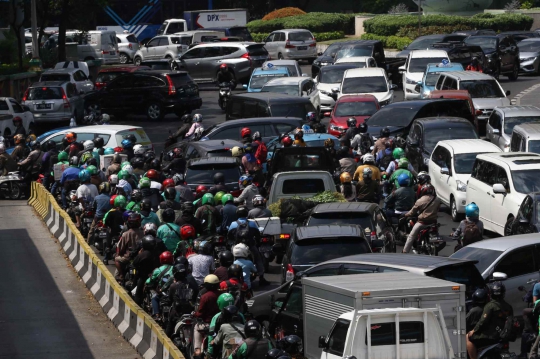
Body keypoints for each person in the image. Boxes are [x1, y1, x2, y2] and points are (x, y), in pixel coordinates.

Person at [467, 281, 513, 359]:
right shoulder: (508, 307)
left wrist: (473, 331)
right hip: (503, 336)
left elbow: (483, 321)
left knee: (468, 338)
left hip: (490, 336)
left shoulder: (490, 306)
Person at [402, 184, 440, 253]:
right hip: (433, 222)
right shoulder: (437, 199)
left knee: (411, 236)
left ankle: (405, 251)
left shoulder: (420, 201)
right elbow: (437, 210)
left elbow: (412, 212)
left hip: (422, 223)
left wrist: (405, 215)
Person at [193, 274, 221, 359]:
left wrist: (195, 314)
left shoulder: (205, 296)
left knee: (196, 328)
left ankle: (197, 350)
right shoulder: (222, 293)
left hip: (207, 324)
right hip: (220, 323)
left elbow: (200, 312)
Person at [115, 212, 144, 283]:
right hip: (140, 257)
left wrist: (119, 254)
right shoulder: (143, 233)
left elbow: (121, 248)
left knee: (116, 259)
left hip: (128, 257)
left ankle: (121, 275)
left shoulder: (126, 234)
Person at [146, 251, 174, 320]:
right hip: (172, 290)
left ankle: (157, 314)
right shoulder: (174, 268)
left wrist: (147, 282)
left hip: (163, 290)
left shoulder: (158, 270)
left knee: (154, 298)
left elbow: (150, 280)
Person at [103, 195, 127, 263]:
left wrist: (110, 226)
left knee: (108, 242)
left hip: (114, 232)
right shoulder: (127, 212)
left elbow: (106, 222)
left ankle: (106, 257)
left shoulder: (112, 212)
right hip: (123, 232)